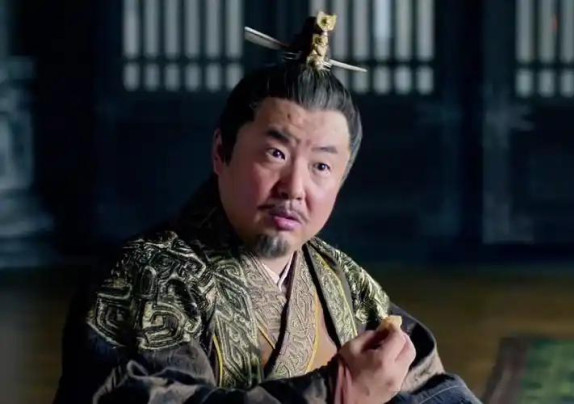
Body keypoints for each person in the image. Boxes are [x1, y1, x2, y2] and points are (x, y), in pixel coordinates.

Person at [54, 12, 480, 404]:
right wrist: (335, 394)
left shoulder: (342, 282)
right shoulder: (144, 278)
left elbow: (429, 384)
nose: (294, 188)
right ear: (221, 151)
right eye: (276, 154)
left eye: (321, 166)